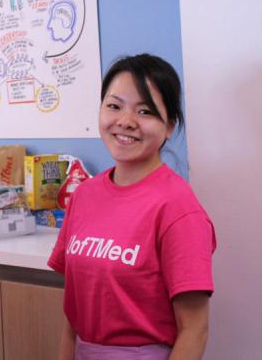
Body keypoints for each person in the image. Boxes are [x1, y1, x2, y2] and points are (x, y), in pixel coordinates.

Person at [48, 54, 216, 359]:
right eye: (114, 106)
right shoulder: (84, 196)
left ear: (170, 126)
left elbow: (195, 329)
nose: (125, 121)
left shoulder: (178, 209)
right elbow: (73, 318)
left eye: (145, 110)